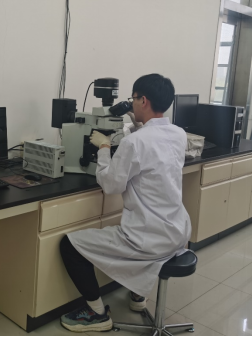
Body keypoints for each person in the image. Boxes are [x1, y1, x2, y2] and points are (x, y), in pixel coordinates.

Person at [59, 74, 191, 333]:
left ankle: (96, 313)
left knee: (70, 245)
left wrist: (104, 147)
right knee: (136, 242)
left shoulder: (134, 142)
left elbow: (110, 185)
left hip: (148, 238)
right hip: (177, 233)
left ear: (143, 100)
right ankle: (138, 297)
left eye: (133, 98)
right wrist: (137, 124)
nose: (131, 102)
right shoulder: (178, 134)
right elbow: (152, 148)